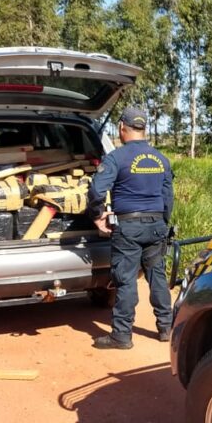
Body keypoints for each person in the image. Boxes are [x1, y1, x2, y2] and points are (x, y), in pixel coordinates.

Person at [88, 106, 174, 350]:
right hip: (156, 225)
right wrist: (163, 223)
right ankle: (166, 328)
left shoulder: (117, 157)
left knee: (126, 280)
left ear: (122, 129)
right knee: (157, 276)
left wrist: (97, 215)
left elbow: (96, 191)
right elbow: (168, 196)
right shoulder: (161, 158)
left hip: (128, 226)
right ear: (143, 129)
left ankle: (122, 336)